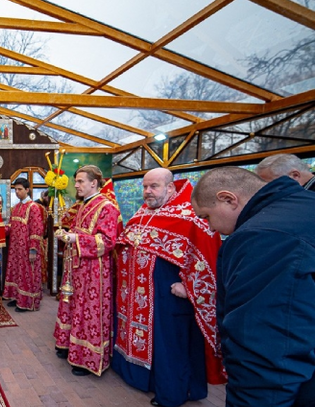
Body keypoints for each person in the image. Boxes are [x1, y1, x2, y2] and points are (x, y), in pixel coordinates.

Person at [192, 167, 315, 407]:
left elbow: (265, 345)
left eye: (206, 217)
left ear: (228, 199)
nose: (210, 228)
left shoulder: (262, 237)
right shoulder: (304, 206)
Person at [112, 167, 225, 407]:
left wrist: (190, 287)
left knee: (170, 345)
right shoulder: (143, 213)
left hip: (169, 298)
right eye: (144, 187)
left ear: (170, 187)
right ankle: (144, 380)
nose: (147, 192)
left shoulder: (191, 217)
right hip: (138, 295)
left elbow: (208, 259)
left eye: (153, 186)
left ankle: (172, 393)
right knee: (152, 341)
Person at [54, 165, 121, 377]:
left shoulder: (107, 207)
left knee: (89, 310)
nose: (76, 185)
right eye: (76, 181)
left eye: (81, 181)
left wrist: (74, 238)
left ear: (94, 183)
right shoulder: (83, 205)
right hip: (76, 265)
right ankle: (71, 347)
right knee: (75, 306)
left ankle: (89, 359)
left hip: (95, 270)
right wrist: (67, 234)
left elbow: (108, 241)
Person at [3, 178, 46, 312]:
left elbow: (37, 229)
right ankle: (17, 297)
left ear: (27, 190)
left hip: (27, 248)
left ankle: (28, 302)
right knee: (17, 273)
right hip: (15, 248)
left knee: (27, 274)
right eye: (15, 189)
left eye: (20, 189)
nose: (17, 192)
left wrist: (33, 249)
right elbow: (10, 226)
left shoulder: (33, 207)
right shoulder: (15, 208)